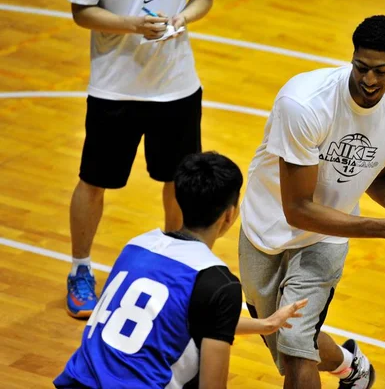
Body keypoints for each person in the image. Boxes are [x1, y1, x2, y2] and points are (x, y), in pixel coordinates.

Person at [238, 15, 385, 389]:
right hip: (266, 226)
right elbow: (298, 209)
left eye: (381, 70)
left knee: (295, 347)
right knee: (280, 335)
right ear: (352, 57)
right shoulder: (304, 104)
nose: (369, 80)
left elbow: (375, 174)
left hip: (326, 237)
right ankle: (348, 363)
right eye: (361, 68)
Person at [55, 152, 308, 389]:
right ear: (229, 215)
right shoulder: (219, 283)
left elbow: (181, 317)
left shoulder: (138, 245)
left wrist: (265, 325)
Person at [66, 0, 216, 318]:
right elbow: (81, 12)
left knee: (180, 181)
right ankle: (80, 270)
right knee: (93, 181)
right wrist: (132, 25)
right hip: (114, 89)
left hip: (177, 86)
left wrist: (183, 17)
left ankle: (177, 266)